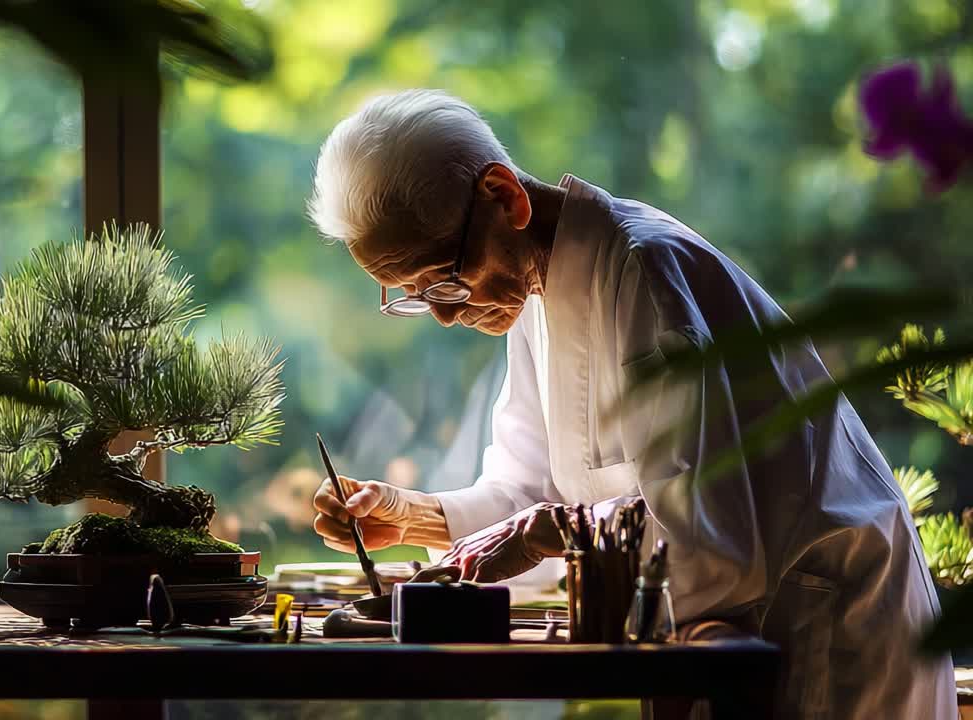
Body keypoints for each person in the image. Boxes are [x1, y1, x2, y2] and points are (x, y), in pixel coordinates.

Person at [306, 89, 956, 720]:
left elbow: (705, 542)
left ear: (503, 197)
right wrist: (409, 515)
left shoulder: (643, 270)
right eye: (412, 294)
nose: (443, 315)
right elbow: (528, 494)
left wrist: (547, 530)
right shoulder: (537, 294)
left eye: (443, 279)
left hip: (829, 629)